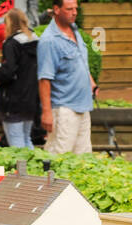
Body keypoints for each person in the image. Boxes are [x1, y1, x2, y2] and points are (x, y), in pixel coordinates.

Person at [37, 0, 95, 155]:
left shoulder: (75, 30)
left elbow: (80, 61)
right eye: (69, 9)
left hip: (83, 106)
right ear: (56, 9)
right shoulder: (49, 40)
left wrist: (90, 81)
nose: (75, 12)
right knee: (59, 159)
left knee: (84, 160)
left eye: (76, 8)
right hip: (64, 110)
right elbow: (44, 79)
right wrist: (47, 113)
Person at [0, 8, 41, 147]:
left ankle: (21, 169)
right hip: (31, 99)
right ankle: (33, 167)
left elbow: (8, 71)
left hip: (13, 101)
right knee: (27, 139)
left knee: (16, 143)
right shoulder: (35, 41)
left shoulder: (11, 44)